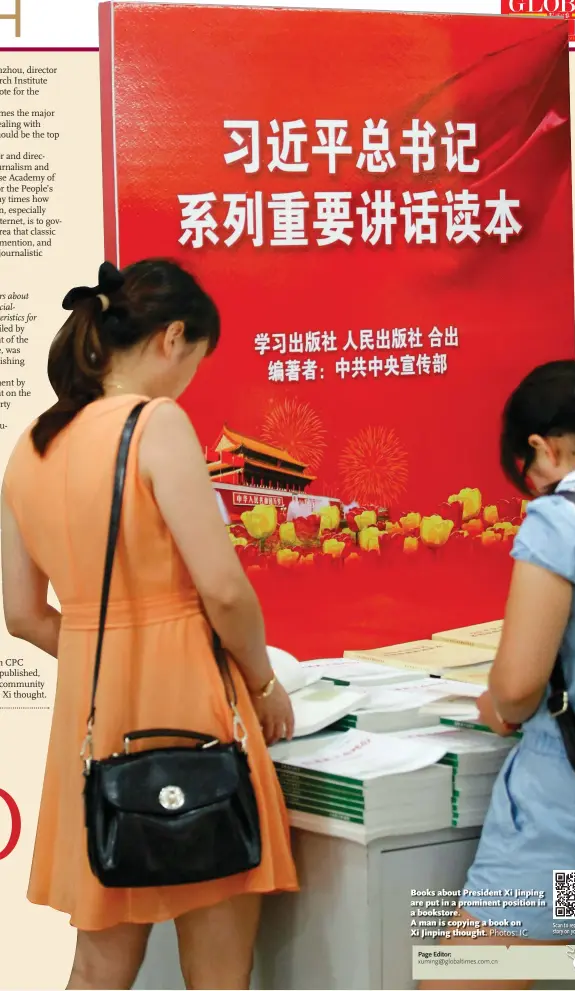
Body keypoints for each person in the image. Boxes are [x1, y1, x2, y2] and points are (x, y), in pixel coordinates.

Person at [1, 259, 298, 991]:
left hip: (93, 721)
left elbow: (22, 614)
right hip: (191, 705)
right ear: (173, 338)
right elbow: (223, 590)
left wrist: (98, 645)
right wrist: (262, 679)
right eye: (198, 357)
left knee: (98, 966)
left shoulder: (30, 445)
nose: (192, 376)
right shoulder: (155, 424)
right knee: (219, 967)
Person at [419, 357, 575, 991]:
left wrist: (499, 706)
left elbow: (516, 685)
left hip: (574, 813)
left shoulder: (563, 519)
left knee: (467, 976)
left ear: (543, 450)